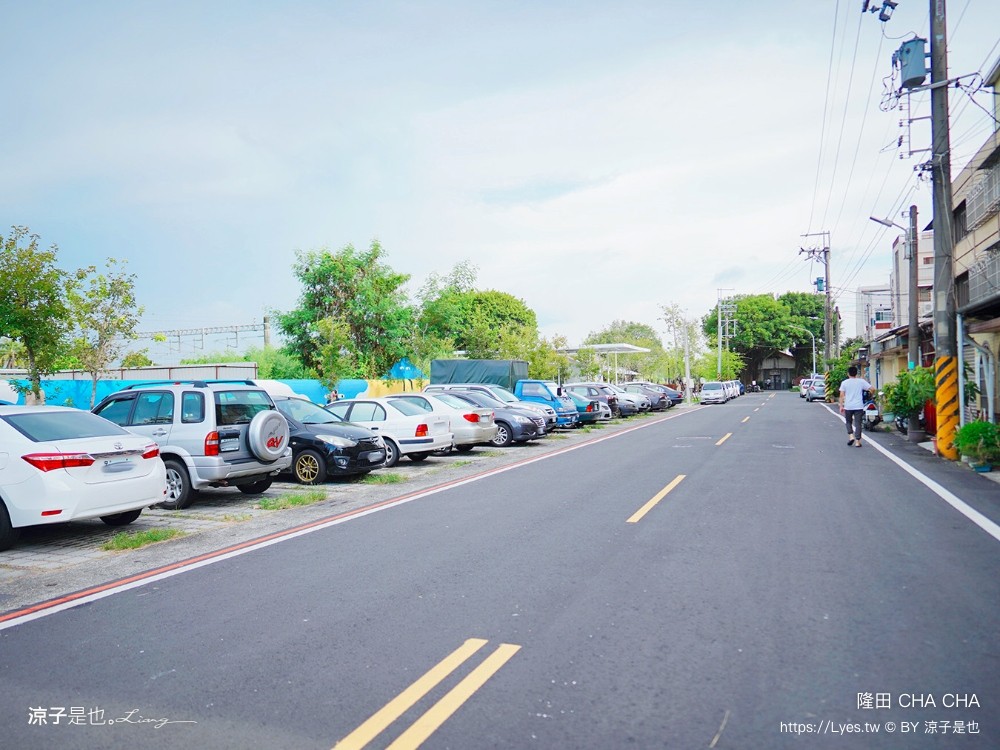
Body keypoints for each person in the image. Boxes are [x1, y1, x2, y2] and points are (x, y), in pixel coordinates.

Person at [839, 365, 873, 447]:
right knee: (858, 423)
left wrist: (841, 406)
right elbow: (872, 388)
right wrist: (870, 395)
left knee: (848, 422)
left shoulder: (844, 383)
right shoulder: (861, 381)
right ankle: (858, 441)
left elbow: (841, 395)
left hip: (848, 406)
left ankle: (851, 436)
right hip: (859, 406)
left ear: (848, 374)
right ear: (856, 373)